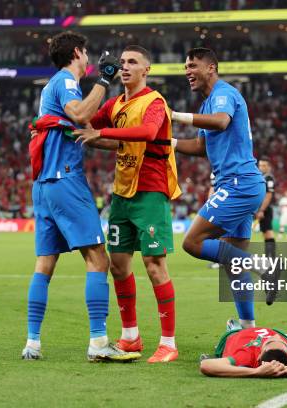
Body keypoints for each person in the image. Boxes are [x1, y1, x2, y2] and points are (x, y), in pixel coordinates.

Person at [22, 31, 139, 363]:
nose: (89, 59)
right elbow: (79, 114)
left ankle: (32, 342)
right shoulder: (66, 83)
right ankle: (99, 342)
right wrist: (104, 79)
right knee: (98, 259)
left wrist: (122, 141)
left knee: (45, 264)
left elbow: (81, 130)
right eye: (86, 53)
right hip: (65, 181)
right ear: (76, 52)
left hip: (44, 186)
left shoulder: (51, 87)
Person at [74, 45, 181, 363]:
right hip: (121, 194)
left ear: (147, 70)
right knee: (118, 266)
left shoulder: (155, 102)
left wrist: (101, 131)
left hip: (151, 191)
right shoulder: (115, 102)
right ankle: (131, 337)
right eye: (121, 62)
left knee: (154, 266)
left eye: (133, 62)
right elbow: (84, 119)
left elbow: (147, 132)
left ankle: (169, 343)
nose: (125, 67)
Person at [170, 47, 270, 326]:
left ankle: (263, 266)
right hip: (243, 184)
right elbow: (201, 146)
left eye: (192, 66)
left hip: (238, 185)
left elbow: (222, 122)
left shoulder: (223, 94)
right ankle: (247, 327)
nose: (188, 72)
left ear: (210, 68)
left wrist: (175, 115)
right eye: (185, 67)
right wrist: (169, 143)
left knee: (192, 242)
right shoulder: (206, 105)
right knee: (232, 262)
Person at [199, 319, 287, 378]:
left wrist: (254, 372)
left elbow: (206, 365)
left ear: (259, 355)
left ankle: (234, 329)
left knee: (230, 335)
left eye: (269, 342)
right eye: (279, 342)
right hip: (274, 331)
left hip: (239, 337)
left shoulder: (245, 356)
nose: (273, 337)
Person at [255, 158, 276, 259]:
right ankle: (269, 257)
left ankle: (271, 257)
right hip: (261, 209)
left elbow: (268, 195)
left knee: (268, 232)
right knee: (265, 233)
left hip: (265, 209)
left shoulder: (268, 178)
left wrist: (262, 210)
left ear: (269, 167)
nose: (261, 168)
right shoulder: (261, 177)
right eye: (260, 165)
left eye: (264, 165)